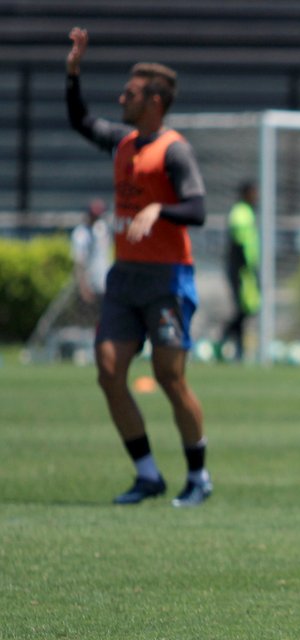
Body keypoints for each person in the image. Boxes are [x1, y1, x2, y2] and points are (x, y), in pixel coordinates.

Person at [65, 27, 213, 506]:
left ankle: (198, 477)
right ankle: (147, 474)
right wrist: (73, 72)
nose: (120, 97)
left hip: (167, 279)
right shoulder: (124, 141)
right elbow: (81, 121)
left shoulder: (174, 150)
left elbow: (198, 209)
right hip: (126, 277)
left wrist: (159, 210)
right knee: (109, 372)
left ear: (153, 100)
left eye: (128, 93)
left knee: (170, 377)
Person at [219, 180, 261, 362]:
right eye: (254, 193)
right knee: (243, 309)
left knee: (247, 309)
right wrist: (248, 268)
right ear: (246, 194)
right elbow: (239, 243)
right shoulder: (240, 213)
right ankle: (226, 342)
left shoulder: (247, 213)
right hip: (240, 269)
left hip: (245, 268)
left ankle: (234, 346)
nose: (257, 197)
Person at [71, 198, 112, 308]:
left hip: (104, 283)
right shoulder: (81, 234)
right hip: (90, 286)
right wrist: (83, 288)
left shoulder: (101, 229)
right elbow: (79, 263)